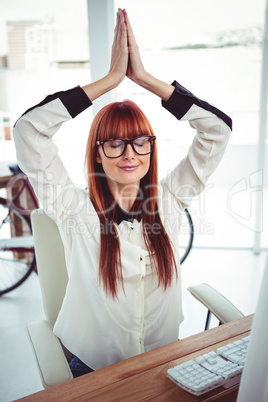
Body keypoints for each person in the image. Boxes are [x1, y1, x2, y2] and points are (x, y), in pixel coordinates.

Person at [13, 9, 232, 378]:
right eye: (114, 142)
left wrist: (145, 79)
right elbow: (28, 130)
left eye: (140, 141)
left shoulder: (171, 199)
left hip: (164, 362)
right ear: (98, 152)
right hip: (95, 369)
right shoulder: (72, 207)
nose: (130, 152)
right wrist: (110, 80)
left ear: (151, 147)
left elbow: (218, 131)